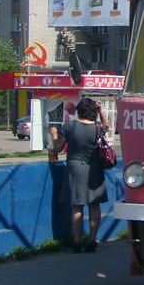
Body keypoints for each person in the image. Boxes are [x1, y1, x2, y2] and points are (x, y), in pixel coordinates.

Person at [49, 97, 109, 253]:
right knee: (94, 205)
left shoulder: (69, 126)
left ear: (79, 111)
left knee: (77, 205)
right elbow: (107, 125)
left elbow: (58, 148)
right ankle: (92, 239)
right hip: (94, 167)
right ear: (93, 111)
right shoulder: (97, 128)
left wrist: (54, 134)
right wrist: (101, 111)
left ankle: (77, 241)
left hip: (75, 167)